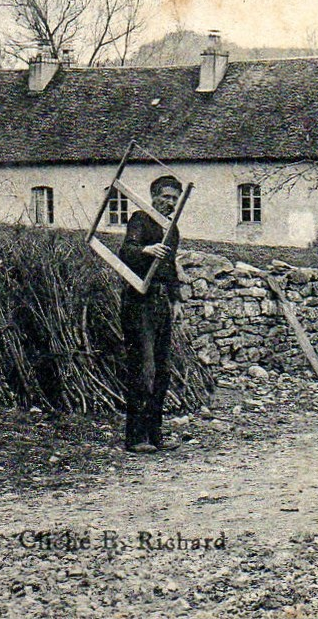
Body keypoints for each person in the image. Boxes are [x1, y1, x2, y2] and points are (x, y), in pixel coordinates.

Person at [116, 175, 184, 454]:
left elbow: (169, 267)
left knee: (163, 371)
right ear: (153, 195)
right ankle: (135, 437)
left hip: (161, 302)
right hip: (138, 301)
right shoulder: (139, 219)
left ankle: (155, 436)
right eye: (165, 197)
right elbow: (125, 251)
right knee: (144, 369)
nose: (169, 202)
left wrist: (176, 300)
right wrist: (146, 249)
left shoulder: (172, 229)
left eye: (174, 198)